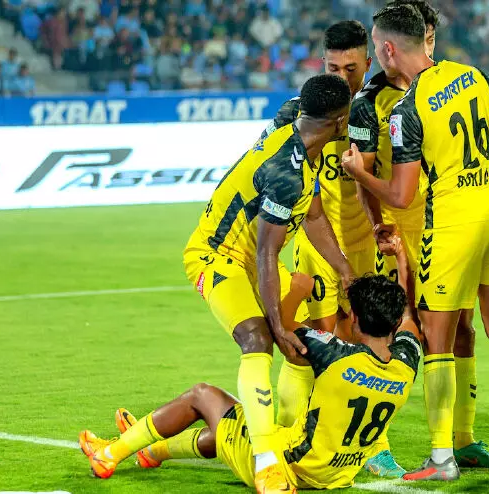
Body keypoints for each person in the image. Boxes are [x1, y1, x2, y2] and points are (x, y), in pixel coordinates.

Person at [342, 4, 489, 481]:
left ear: (388, 49)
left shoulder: (407, 108)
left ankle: (443, 457)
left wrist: (359, 172)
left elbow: (399, 193)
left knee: (436, 340)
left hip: (449, 225)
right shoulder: (474, 76)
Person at [79, 253, 423, 493]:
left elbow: (282, 329)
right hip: (335, 475)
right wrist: (402, 263)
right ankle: (152, 451)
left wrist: (297, 292)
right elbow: (409, 317)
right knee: (235, 425)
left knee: (203, 396)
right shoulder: (406, 362)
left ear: (355, 320)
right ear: (394, 323)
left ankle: (110, 454)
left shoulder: (335, 355)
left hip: (286, 466)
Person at [181, 73, 356, 493]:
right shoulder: (286, 173)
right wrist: (276, 323)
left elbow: (313, 216)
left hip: (252, 256)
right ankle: (266, 463)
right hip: (217, 255)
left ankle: (152, 445)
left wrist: (345, 270)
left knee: (299, 344)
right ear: (338, 121)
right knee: (258, 338)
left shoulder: (297, 123)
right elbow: (266, 252)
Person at [262, 21, 405, 478]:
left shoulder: (379, 108)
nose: (342, 77)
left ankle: (372, 444)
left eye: (351, 69)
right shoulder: (302, 111)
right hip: (317, 241)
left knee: (368, 341)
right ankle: (296, 432)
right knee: (316, 340)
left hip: (367, 241)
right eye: (332, 68)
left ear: (368, 63)